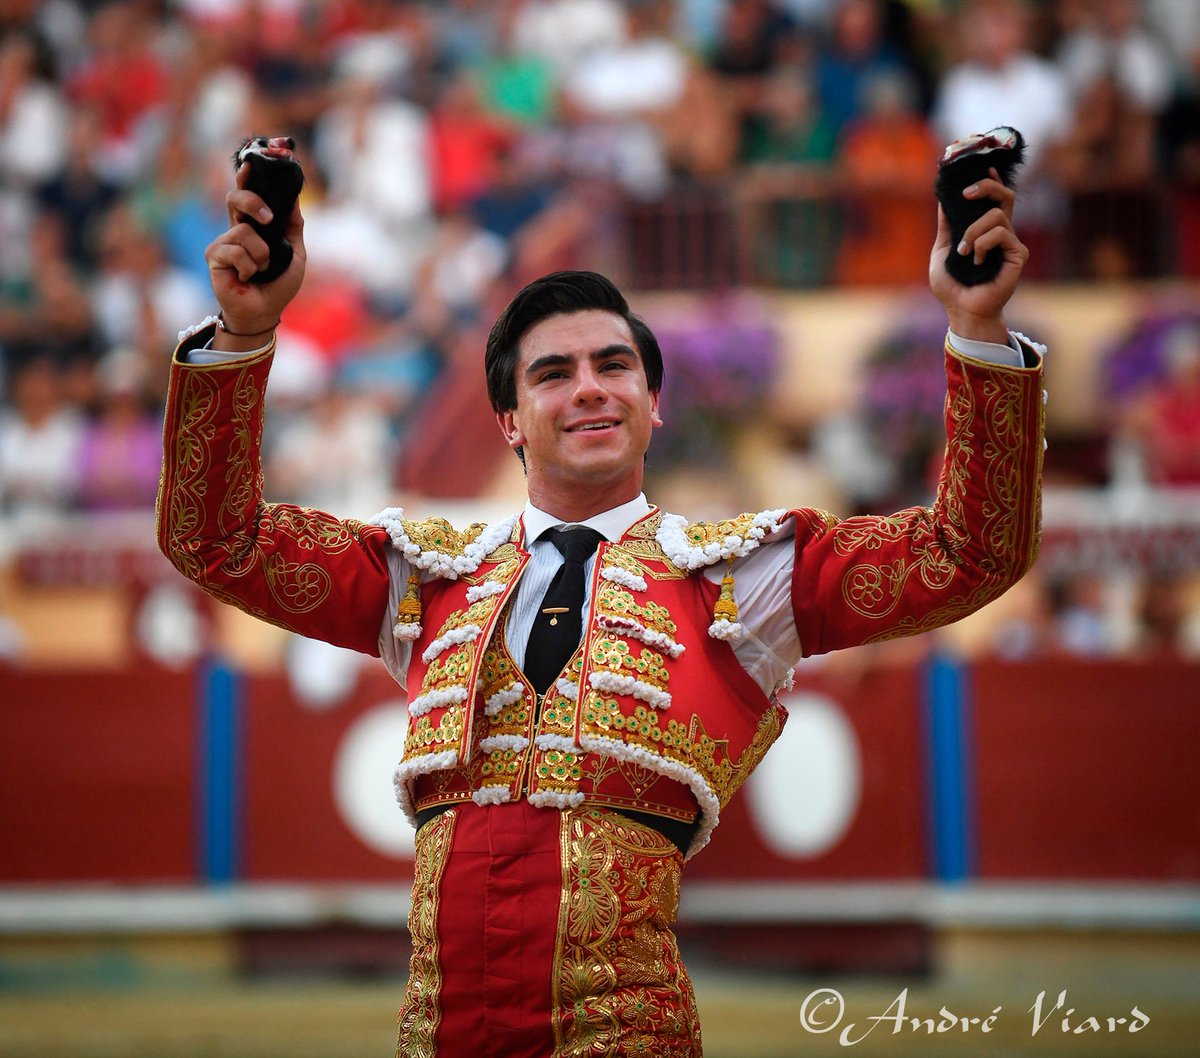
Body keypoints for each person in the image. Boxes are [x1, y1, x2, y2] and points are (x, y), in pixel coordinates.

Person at [157, 145, 1045, 1056]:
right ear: (508, 420)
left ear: (652, 403)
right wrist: (243, 334)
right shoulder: (426, 578)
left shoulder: (744, 578)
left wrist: (975, 328)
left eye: (613, 366)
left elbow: (967, 551)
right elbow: (213, 541)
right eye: (551, 373)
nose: (588, 387)